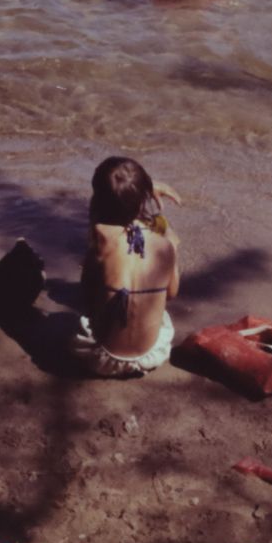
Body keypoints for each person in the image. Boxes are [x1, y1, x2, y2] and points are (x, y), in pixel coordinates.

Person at [75, 157, 181, 378]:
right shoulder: (165, 245)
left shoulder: (100, 238)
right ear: (143, 200)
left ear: (97, 201)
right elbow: (172, 294)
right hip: (151, 356)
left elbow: (85, 295)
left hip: (100, 358)